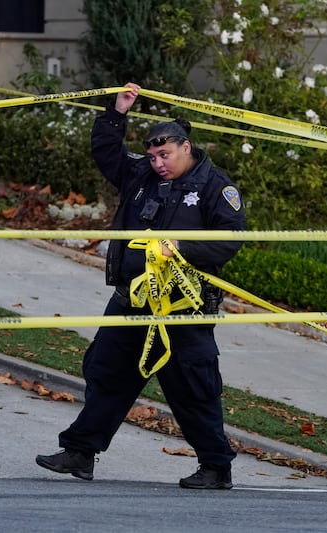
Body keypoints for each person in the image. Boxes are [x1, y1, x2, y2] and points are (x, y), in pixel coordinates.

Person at [36, 82, 246, 489]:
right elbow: (106, 154)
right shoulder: (140, 176)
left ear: (186, 147)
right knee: (107, 373)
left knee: (192, 387)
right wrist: (117, 113)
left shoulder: (216, 187)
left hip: (182, 308)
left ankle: (216, 467)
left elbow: (230, 240)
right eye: (152, 156)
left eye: (165, 155)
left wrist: (180, 247)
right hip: (132, 300)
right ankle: (80, 453)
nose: (158, 163)